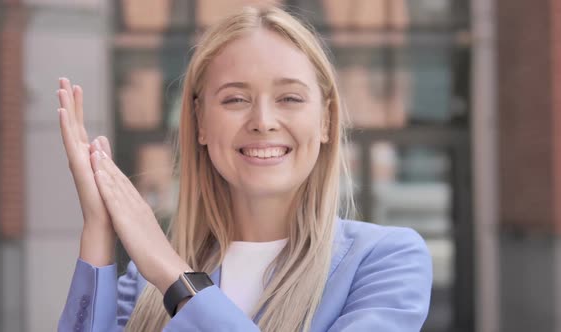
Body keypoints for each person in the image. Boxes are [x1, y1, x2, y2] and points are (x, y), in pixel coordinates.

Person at [57, 5, 432, 332]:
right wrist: (99, 231)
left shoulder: (386, 260)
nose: (263, 120)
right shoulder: (144, 281)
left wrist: (176, 280)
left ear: (326, 121)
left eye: (290, 98)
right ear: (200, 122)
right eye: (235, 99)